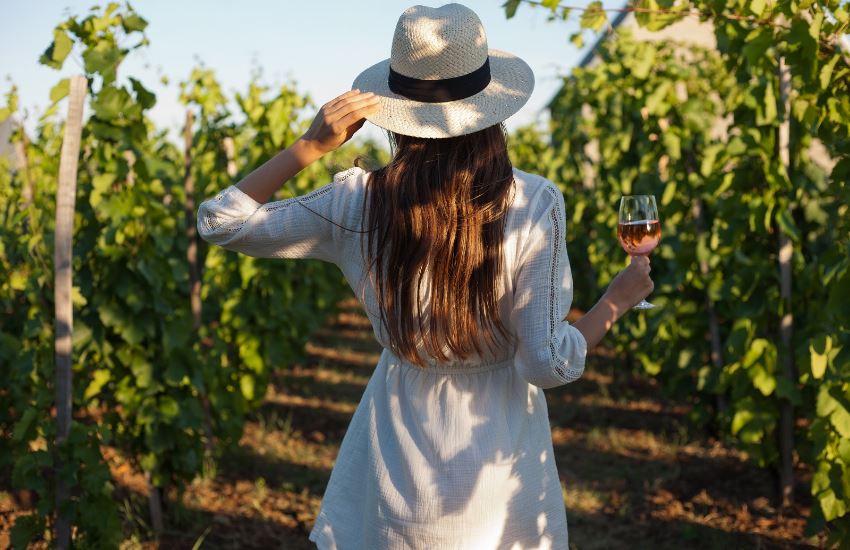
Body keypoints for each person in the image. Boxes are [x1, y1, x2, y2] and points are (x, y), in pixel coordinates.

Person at [196, 3, 653, 548]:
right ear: (492, 109)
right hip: (498, 461)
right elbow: (545, 362)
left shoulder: (356, 202)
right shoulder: (534, 202)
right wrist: (615, 303)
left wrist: (309, 146)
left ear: (394, 110)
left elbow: (220, 221)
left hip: (398, 451)